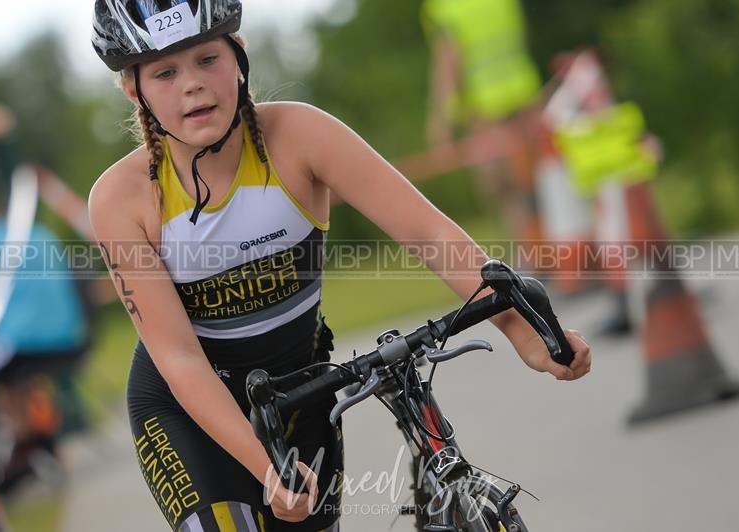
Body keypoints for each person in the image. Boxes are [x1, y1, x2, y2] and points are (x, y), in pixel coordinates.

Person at [88, 1, 592, 531]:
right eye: (165, 72)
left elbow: (429, 234)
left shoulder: (300, 136)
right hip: (186, 413)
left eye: (207, 59)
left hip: (301, 395)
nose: (193, 85)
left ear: (239, 55)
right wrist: (264, 465)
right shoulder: (122, 199)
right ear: (133, 89)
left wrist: (522, 330)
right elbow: (179, 357)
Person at [0, 100, 91, 491]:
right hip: (74, 337)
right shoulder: (35, 232)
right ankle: (32, 446)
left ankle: (18, 455)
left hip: (24, 346)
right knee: (8, 380)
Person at [421, 0, 544, 244]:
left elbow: (448, 66)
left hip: (486, 109)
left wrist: (442, 124)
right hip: (525, 93)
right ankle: (554, 251)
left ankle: (532, 256)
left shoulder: (445, 8)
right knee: (538, 178)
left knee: (503, 189)